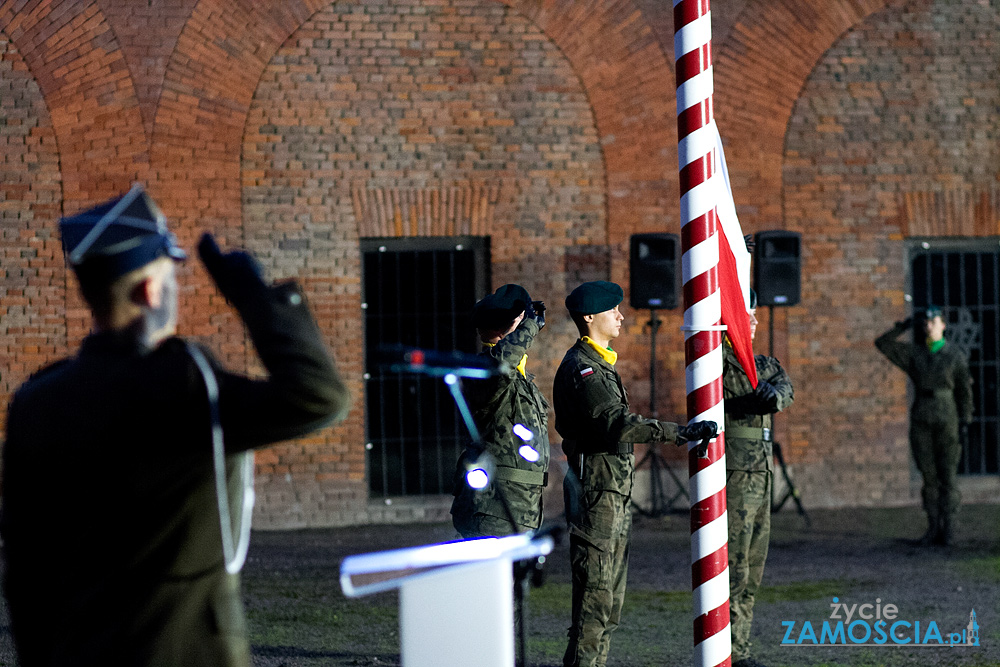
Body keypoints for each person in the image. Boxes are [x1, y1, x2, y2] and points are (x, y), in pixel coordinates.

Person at [0, 185, 351, 667]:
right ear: (151, 289)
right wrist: (254, 298)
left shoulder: (36, 401)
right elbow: (320, 397)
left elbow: (24, 570)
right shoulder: (186, 382)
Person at [553, 280, 716, 667]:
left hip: (612, 491)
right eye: (613, 311)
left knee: (609, 603)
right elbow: (616, 424)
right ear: (590, 317)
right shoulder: (583, 368)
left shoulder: (599, 363)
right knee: (595, 600)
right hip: (597, 492)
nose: (621, 316)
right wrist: (681, 432)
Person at [723, 288, 794, 667]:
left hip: (761, 475)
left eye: (752, 316)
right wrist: (743, 403)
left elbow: (786, 389)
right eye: (744, 314)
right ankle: (727, 650)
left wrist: (772, 396)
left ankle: (742, 648)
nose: (751, 322)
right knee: (734, 567)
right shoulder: (715, 361)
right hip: (733, 476)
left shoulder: (763, 363)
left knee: (752, 567)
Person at [451, 283, 550, 537]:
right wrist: (529, 324)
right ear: (511, 325)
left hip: (519, 509)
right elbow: (502, 361)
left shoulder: (520, 378)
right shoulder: (484, 370)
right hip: (493, 509)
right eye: (522, 320)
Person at [875, 305, 973, 546]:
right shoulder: (916, 354)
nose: (928, 326)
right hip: (922, 415)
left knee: (947, 474)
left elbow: (964, 391)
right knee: (928, 475)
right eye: (926, 323)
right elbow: (883, 344)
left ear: (943, 325)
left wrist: (965, 419)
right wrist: (903, 327)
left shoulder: (955, 356)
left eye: (933, 321)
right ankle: (933, 526)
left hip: (947, 415)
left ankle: (948, 527)